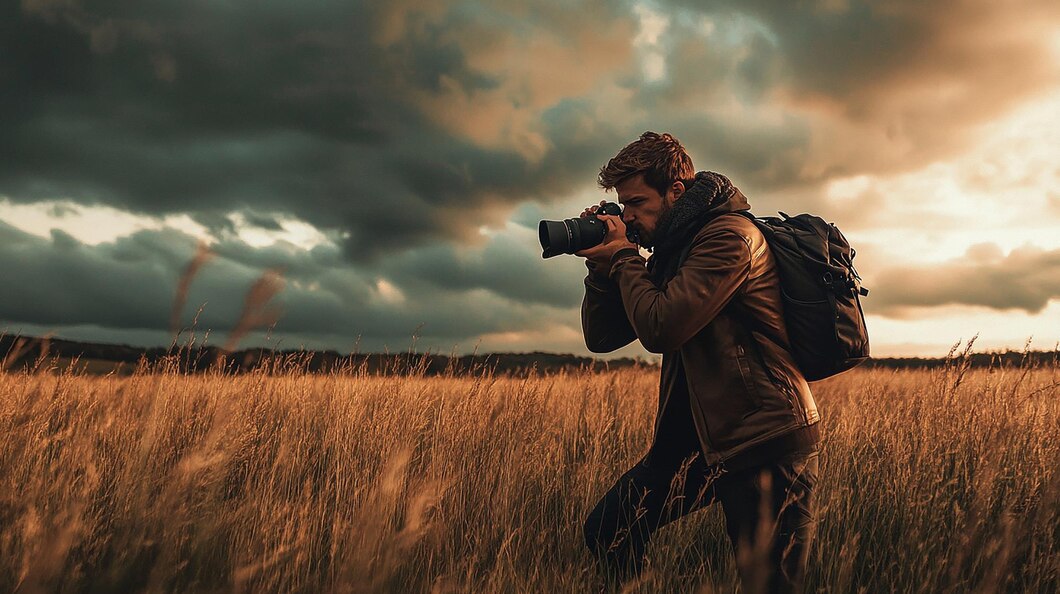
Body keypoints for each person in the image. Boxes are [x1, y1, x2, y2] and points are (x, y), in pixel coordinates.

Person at [576, 131, 822, 594]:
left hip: (764, 439)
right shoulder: (674, 249)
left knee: (769, 585)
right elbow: (603, 337)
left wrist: (624, 256)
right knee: (608, 530)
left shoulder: (730, 238)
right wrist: (600, 267)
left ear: (677, 191)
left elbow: (661, 328)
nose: (628, 216)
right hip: (700, 444)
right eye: (622, 206)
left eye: (636, 203)